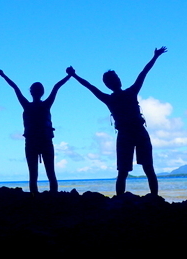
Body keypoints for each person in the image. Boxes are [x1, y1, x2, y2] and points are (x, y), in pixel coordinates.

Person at [67, 47, 167, 196]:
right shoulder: (122, 95)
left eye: (117, 78)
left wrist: (155, 57)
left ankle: (148, 198)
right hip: (132, 133)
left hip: (132, 133)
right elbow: (143, 73)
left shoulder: (117, 96)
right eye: (114, 79)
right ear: (109, 84)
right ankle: (141, 199)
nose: (117, 80)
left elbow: (90, 86)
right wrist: (155, 57)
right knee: (130, 170)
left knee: (136, 169)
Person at [0, 69, 70, 193]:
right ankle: (52, 198)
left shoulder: (29, 105)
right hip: (42, 141)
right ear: (42, 92)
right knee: (49, 173)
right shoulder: (44, 104)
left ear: (31, 92)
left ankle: (36, 198)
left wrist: (4, 76)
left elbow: (16, 88)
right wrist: (69, 76)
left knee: (34, 174)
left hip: (34, 142)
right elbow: (56, 87)